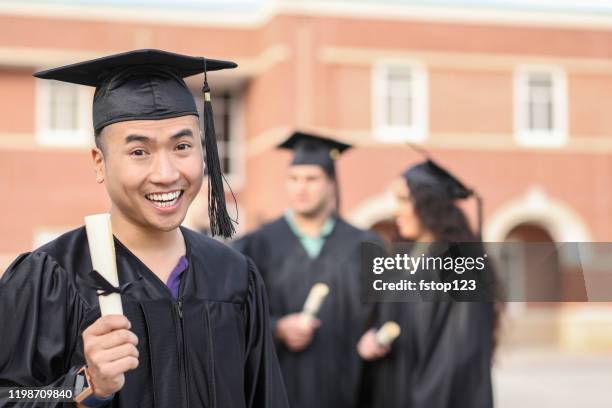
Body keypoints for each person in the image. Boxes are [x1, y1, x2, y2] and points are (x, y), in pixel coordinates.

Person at [0, 49, 288, 408]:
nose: (166, 173)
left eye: (182, 146)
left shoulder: (234, 276)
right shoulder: (50, 278)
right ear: (99, 162)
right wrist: (85, 386)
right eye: (140, 152)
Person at [233, 131, 381, 408]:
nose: (300, 188)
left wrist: (379, 333)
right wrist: (276, 327)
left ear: (332, 184)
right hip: (278, 390)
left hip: (349, 390)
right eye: (294, 179)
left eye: (311, 179)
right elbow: (233, 311)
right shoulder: (257, 245)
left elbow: (388, 313)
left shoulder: (366, 245)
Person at [358, 157, 497, 408]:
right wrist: (372, 338)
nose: (395, 210)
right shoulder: (401, 259)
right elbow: (390, 320)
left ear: (429, 204)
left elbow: (457, 357)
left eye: (403, 200)